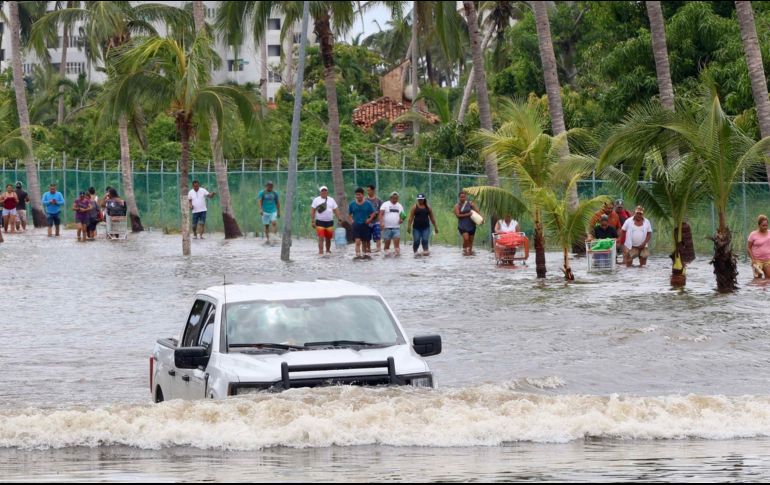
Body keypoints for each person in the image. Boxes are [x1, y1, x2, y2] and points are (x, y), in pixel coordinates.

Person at [347, 187, 377, 259]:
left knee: (365, 242)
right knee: (357, 241)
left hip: (365, 225)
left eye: (359, 195)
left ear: (363, 195)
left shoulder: (368, 203)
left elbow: (373, 212)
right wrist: (352, 221)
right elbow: (349, 214)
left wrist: (370, 219)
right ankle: (357, 255)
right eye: (356, 195)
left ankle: (365, 255)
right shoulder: (352, 204)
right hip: (356, 225)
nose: (358, 196)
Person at [311, 186, 341, 255]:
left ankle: (328, 251)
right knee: (321, 237)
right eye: (322, 191)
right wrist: (312, 221)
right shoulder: (316, 200)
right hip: (319, 222)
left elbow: (336, 210)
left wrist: (339, 218)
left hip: (329, 222)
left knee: (328, 238)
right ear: (320, 192)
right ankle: (321, 252)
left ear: (327, 192)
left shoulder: (331, 200)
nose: (324, 192)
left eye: (325, 191)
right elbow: (312, 210)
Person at [379, 191, 405, 256]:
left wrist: (401, 219)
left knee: (397, 247)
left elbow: (403, 215)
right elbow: (381, 214)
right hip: (387, 228)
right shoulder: (385, 204)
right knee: (387, 246)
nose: (395, 200)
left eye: (396, 198)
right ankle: (387, 257)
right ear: (390, 198)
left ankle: (397, 258)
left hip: (396, 228)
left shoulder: (399, 205)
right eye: (393, 198)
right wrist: (381, 222)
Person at [455, 191, 480, 256]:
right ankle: (464, 249)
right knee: (466, 239)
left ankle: (469, 253)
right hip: (462, 226)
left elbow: (478, 212)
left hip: (471, 225)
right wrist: (467, 214)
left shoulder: (470, 203)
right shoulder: (457, 206)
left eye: (464, 197)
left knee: (471, 240)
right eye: (461, 197)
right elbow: (458, 215)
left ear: (466, 197)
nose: (462, 198)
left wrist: (473, 206)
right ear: (459, 198)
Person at [748, 214, 770, 279]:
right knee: (758, 280)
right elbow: (749, 248)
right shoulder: (753, 234)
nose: (765, 227)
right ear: (759, 225)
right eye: (763, 225)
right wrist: (753, 260)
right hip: (757, 261)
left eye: (766, 225)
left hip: (768, 260)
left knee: (769, 279)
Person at [366, 185, 383, 252]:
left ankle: (378, 249)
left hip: (376, 221)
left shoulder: (379, 200)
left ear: (373, 190)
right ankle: (368, 249)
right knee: (367, 237)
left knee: (378, 236)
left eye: (369, 190)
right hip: (367, 221)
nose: (368, 192)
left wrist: (381, 222)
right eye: (367, 190)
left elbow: (381, 212)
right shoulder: (365, 200)